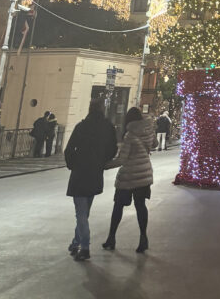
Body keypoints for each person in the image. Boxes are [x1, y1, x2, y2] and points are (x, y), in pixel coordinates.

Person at [64, 99, 118, 261]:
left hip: (80, 173)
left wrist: (73, 164)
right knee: (84, 211)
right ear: (103, 109)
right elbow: (113, 149)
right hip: (95, 173)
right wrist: (102, 161)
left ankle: (85, 246)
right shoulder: (108, 127)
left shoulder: (82, 126)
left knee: (81, 212)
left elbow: (69, 149)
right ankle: (76, 242)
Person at [103, 107, 156, 254]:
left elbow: (122, 159)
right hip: (145, 173)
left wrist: (105, 165)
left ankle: (111, 237)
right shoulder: (148, 131)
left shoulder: (130, 135)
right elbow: (155, 144)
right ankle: (143, 237)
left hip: (129, 176)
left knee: (118, 206)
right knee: (140, 206)